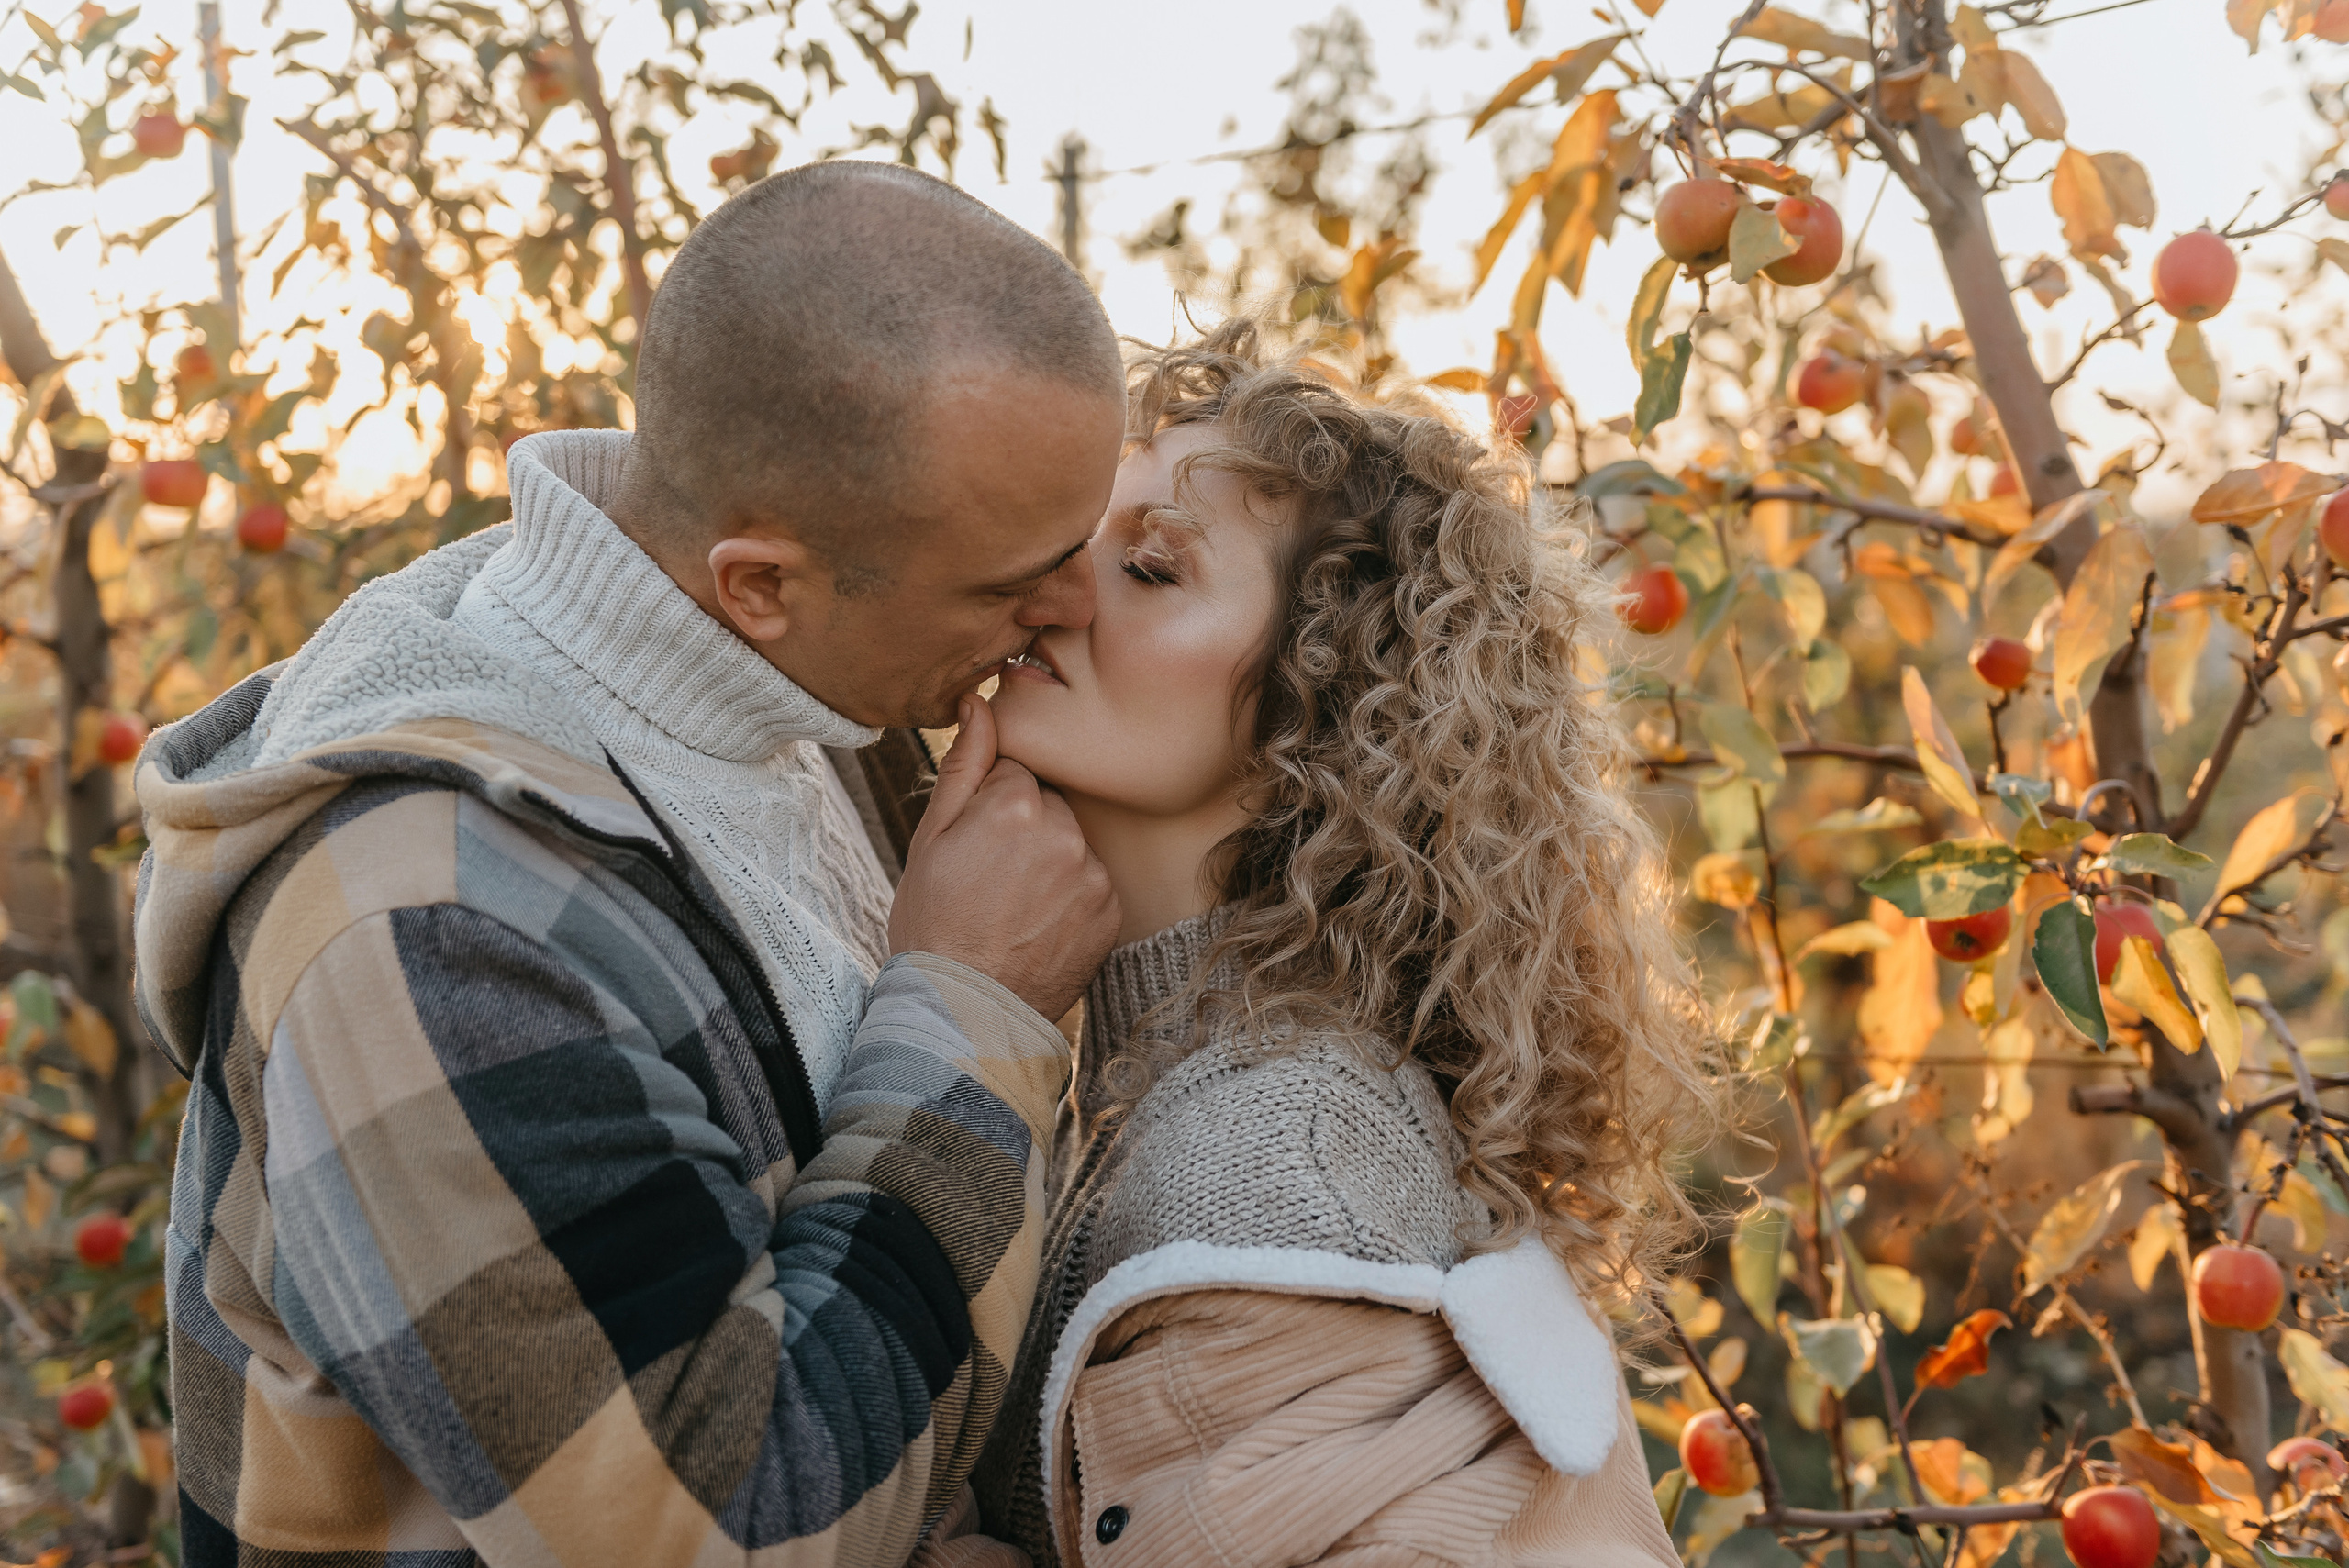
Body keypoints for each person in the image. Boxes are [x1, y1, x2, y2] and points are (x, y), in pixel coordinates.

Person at [134, 162, 1122, 1565]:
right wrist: (971, 1010)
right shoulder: (429, 928)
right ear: (759, 582)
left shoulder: (806, 703)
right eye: (1013, 577)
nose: (1074, 606)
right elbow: (713, 1529)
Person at [926, 319, 1712, 1568]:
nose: (1056, 590)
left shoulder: (1270, 1151)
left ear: (1321, 703)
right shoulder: (1137, 1081)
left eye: (1150, 569)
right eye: (1081, 538)